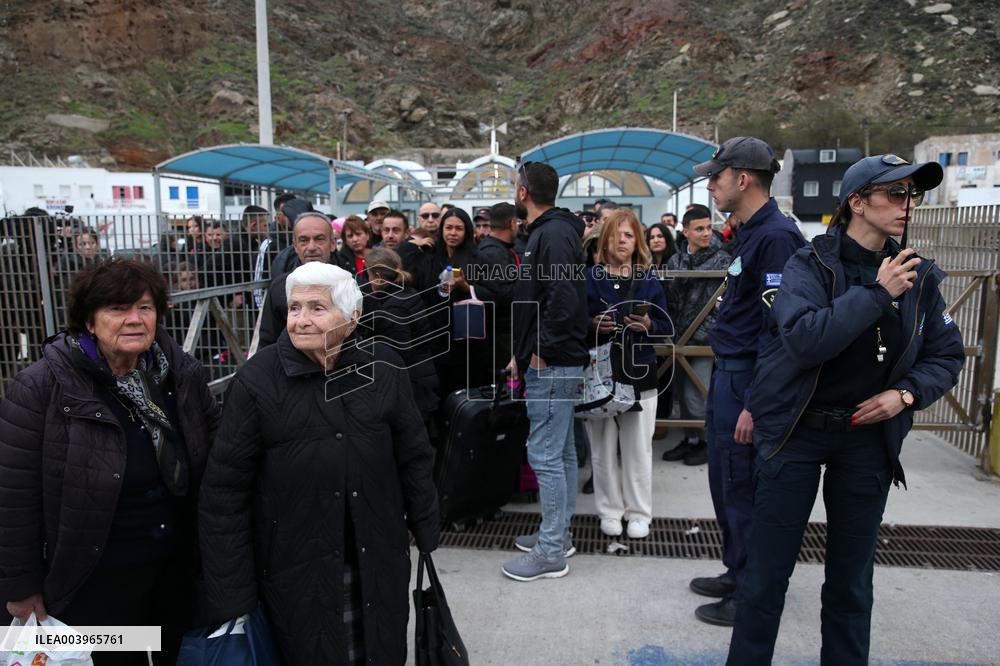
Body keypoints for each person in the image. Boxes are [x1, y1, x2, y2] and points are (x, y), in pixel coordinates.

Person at [728, 155, 963, 664]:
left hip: (866, 441)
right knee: (766, 577)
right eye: (895, 193)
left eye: (912, 194)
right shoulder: (809, 264)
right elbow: (805, 339)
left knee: (852, 582)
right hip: (797, 431)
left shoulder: (918, 275)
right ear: (856, 202)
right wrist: (878, 294)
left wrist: (905, 395)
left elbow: (946, 355)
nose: (907, 204)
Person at [198, 262, 439, 664]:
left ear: (352, 317)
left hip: (376, 553)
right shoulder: (257, 380)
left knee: (380, 649)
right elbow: (224, 491)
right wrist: (233, 594)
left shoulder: (384, 366)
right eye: (294, 308)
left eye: (317, 308)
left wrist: (425, 526)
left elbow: (413, 454)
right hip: (294, 566)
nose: (301, 320)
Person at [0, 258, 220, 664]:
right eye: (117, 309)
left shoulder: (180, 375)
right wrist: (20, 585)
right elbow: (13, 496)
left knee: (165, 654)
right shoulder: (41, 387)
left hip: (172, 573)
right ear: (89, 321)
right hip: (90, 583)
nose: (134, 319)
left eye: (145, 307)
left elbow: (215, 457)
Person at [689, 136, 805, 626]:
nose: (710, 186)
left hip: (748, 380)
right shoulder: (752, 232)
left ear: (743, 178)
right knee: (727, 482)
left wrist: (756, 403)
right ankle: (738, 571)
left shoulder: (777, 237)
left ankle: (753, 593)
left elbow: (779, 330)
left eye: (716, 177)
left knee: (744, 486)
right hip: (729, 374)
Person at [504, 161, 589, 581]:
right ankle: (558, 534)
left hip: (553, 362)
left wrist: (541, 351)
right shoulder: (550, 231)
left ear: (523, 192)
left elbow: (563, 299)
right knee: (563, 451)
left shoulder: (552, 234)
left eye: (514, 186)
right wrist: (521, 353)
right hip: (552, 358)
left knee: (545, 454)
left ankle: (551, 550)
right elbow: (539, 299)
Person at [583, 209, 670, 539]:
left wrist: (648, 324)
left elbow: (666, 326)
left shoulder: (648, 279)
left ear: (638, 242)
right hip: (599, 375)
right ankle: (609, 510)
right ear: (604, 240)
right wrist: (591, 324)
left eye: (629, 235)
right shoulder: (589, 277)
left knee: (638, 449)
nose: (622, 241)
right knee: (602, 449)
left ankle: (639, 513)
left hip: (640, 372)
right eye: (615, 235)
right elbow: (572, 321)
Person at [661, 207, 732, 466]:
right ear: (686, 231)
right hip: (678, 340)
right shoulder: (675, 261)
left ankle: (706, 442)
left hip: (703, 341)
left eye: (708, 227)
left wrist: (706, 332)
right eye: (699, 228)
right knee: (681, 392)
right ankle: (691, 439)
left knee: (697, 394)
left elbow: (725, 302)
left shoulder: (723, 260)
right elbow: (668, 299)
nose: (706, 233)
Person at [362, 247, 442, 433]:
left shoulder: (393, 308)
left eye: (368, 274)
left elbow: (397, 354)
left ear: (377, 277)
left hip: (412, 384)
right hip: (423, 374)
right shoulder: (408, 292)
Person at [258, 211, 337, 347]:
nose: (311, 247)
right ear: (295, 246)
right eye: (304, 240)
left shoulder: (350, 285)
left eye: (319, 239)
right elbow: (268, 341)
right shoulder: (280, 288)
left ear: (333, 244)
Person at [469, 202, 520, 378]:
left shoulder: (502, 249)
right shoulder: (494, 253)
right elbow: (503, 294)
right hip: (501, 336)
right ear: (512, 223)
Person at [334, 215, 371, 281]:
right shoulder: (340, 260)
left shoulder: (379, 256)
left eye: (358, 234)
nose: (355, 239)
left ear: (367, 235)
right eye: (350, 236)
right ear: (345, 240)